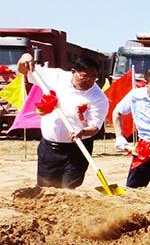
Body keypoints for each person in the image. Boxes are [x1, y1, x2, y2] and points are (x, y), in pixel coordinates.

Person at [16, 53, 109, 189]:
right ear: (73, 71)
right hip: (49, 148)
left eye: (94, 77)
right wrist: (25, 57)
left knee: (68, 188)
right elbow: (24, 70)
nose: (89, 80)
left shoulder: (98, 97)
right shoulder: (56, 77)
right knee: (46, 189)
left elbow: (95, 127)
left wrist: (83, 131)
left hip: (78, 150)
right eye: (84, 76)